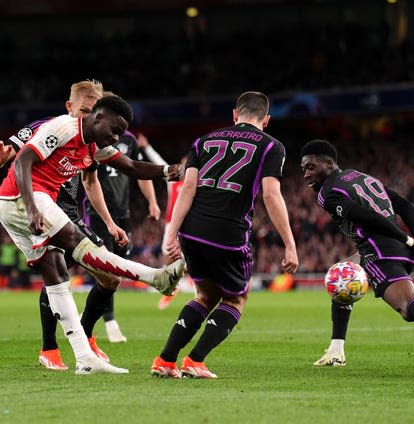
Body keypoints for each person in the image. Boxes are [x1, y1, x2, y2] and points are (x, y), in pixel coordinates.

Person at [0, 94, 186, 375]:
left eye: (121, 132)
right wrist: (32, 208)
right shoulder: (64, 127)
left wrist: (170, 171)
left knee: (56, 275)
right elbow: (22, 161)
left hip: (14, 205)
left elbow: (131, 167)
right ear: (97, 117)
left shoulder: (95, 145)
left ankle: (84, 358)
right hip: (24, 199)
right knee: (77, 243)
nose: (117, 137)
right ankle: (155, 277)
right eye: (114, 129)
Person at [151, 91, 299, 379]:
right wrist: (290, 244)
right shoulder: (272, 147)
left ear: (235, 114)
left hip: (192, 231)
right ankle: (195, 360)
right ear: (266, 120)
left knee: (205, 295)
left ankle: (166, 360)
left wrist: (172, 233)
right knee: (234, 299)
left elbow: (188, 189)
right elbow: (271, 194)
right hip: (228, 232)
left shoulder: (202, 141)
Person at [299, 139, 414, 367]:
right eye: (303, 169)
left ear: (330, 163)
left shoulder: (327, 192)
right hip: (394, 248)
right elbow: (403, 204)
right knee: (341, 276)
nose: (306, 175)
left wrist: (411, 239)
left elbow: (366, 217)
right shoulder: (360, 177)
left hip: (378, 249)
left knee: (408, 308)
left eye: (311, 167)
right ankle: (336, 350)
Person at [86, 127, 161, 342]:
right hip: (98, 213)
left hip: (123, 213)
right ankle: (110, 321)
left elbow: (139, 173)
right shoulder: (92, 138)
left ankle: (90, 313)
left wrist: (153, 201)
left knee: (119, 268)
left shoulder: (129, 141)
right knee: (108, 270)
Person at [135, 132, 193, 310]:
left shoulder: (197, 184)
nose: (184, 168)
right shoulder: (173, 182)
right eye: (182, 165)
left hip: (190, 226)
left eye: (187, 165)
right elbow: (160, 163)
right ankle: (171, 287)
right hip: (171, 225)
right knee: (168, 257)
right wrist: (147, 148)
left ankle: (197, 287)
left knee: (193, 257)